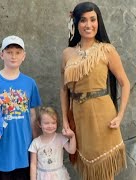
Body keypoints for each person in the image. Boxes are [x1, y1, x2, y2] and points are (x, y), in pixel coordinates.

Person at [60, 2, 130, 180]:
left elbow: (125, 83)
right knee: (87, 172)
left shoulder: (106, 50)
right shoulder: (67, 53)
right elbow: (63, 90)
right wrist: (65, 120)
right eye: (83, 20)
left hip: (102, 116)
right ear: (75, 23)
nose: (88, 25)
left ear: (98, 22)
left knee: (104, 171)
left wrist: (120, 115)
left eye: (93, 19)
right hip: (79, 116)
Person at [0, 35, 42, 180]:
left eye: (17, 52)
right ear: (1, 54)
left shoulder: (30, 83)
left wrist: (38, 145)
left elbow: (33, 116)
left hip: (23, 155)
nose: (13, 56)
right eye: (9, 52)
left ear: (24, 56)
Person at [29, 106, 76, 180]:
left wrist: (73, 136)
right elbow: (33, 164)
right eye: (46, 123)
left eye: (53, 123)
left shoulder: (60, 138)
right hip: (42, 176)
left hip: (59, 176)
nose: (50, 126)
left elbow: (72, 150)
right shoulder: (36, 143)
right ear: (39, 124)